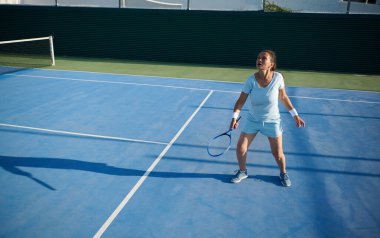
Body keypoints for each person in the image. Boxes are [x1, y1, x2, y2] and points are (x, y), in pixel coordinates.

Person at [230, 50, 305, 187]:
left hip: (272, 121)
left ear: (271, 64)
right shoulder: (251, 80)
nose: (259, 60)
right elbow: (240, 101)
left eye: (264, 58)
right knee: (241, 148)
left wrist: (295, 115)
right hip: (253, 120)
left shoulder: (278, 78)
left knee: (277, 154)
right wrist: (234, 117)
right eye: (258, 58)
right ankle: (242, 171)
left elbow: (283, 97)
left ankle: (283, 173)